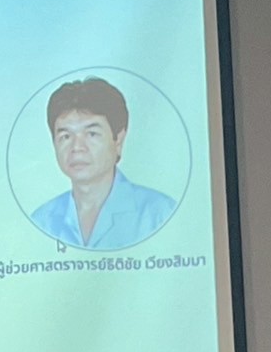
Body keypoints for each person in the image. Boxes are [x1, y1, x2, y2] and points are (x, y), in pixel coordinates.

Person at [31, 77, 176, 250]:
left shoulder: (160, 213)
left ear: (118, 140)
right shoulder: (41, 220)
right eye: (66, 136)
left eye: (91, 134)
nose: (77, 148)